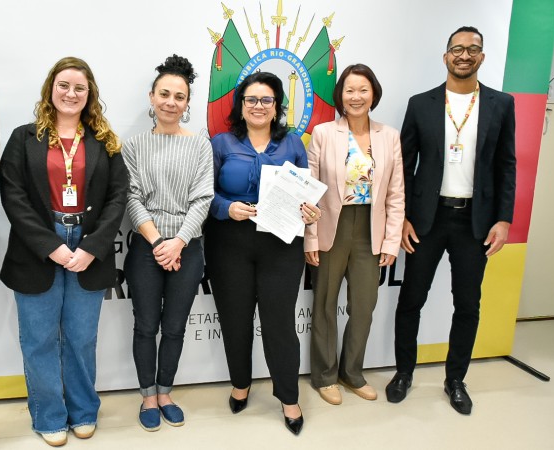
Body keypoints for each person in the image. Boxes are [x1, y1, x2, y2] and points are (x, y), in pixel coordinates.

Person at [386, 26, 516, 415]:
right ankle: (404, 373)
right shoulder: (421, 103)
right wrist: (403, 217)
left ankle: (455, 379)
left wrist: (504, 219)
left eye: (472, 49)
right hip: (427, 219)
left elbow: (507, 164)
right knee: (411, 299)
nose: (464, 55)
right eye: (457, 49)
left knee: (468, 305)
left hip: (475, 222)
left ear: (482, 57)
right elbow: (403, 166)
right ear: (446, 57)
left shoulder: (501, 104)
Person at [0, 57, 128, 446]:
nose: (71, 94)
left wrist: (92, 247)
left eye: (79, 88)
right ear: (50, 90)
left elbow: (118, 197)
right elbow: (13, 197)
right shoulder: (23, 138)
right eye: (64, 86)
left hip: (89, 247)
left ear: (90, 95)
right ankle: (49, 416)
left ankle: (83, 411)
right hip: (38, 247)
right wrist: (51, 245)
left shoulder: (105, 141)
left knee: (81, 338)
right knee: (39, 340)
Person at [205, 72, 320, 436]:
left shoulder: (293, 144)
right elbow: (205, 194)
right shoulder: (221, 143)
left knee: (280, 324)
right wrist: (227, 208)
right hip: (229, 242)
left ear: (276, 106)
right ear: (241, 105)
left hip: (281, 244)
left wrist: (309, 211)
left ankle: (289, 397)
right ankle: (240, 384)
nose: (258, 106)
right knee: (235, 320)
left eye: (266, 100)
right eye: (251, 99)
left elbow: (304, 194)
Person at [122, 55, 214, 432]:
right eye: (164, 94)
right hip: (147, 247)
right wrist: (160, 242)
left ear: (187, 102)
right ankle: (147, 395)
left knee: (174, 326)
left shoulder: (200, 146)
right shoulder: (133, 146)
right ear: (152, 97)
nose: (171, 102)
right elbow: (131, 198)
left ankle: (165, 392)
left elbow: (203, 199)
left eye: (179, 96)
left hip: (187, 248)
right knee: (146, 325)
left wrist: (178, 243)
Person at [305, 64, 404, 406]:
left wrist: (391, 241)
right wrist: (311, 238)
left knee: (363, 306)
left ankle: (352, 372)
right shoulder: (323, 133)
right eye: (349, 90)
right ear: (340, 95)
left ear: (373, 94)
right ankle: (325, 375)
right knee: (325, 305)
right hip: (331, 226)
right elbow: (310, 191)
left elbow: (396, 193)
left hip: (370, 230)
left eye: (363, 90)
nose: (356, 96)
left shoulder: (389, 136)